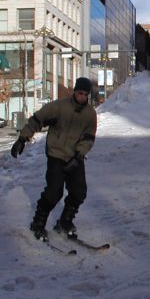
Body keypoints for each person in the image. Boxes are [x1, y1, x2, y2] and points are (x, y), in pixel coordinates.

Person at [10, 77, 97, 240]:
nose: (82, 97)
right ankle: (38, 223)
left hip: (75, 158)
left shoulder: (90, 114)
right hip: (56, 155)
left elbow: (89, 138)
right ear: (74, 91)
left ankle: (65, 221)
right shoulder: (59, 107)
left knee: (79, 192)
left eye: (85, 94)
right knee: (53, 192)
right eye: (80, 93)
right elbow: (37, 120)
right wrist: (22, 139)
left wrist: (79, 155)